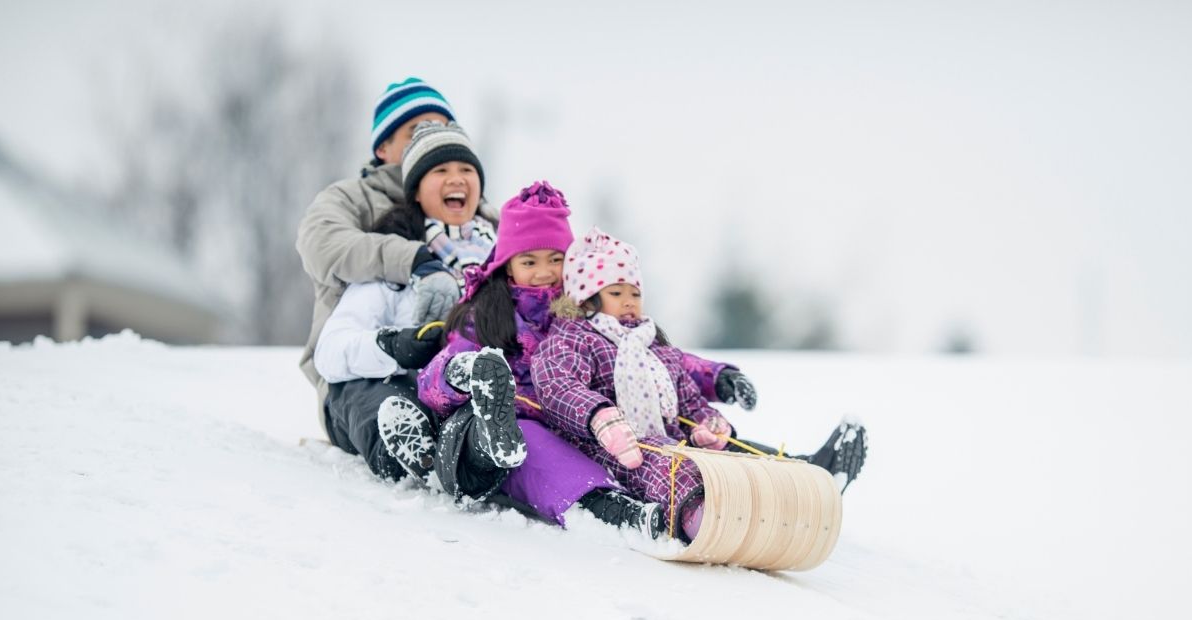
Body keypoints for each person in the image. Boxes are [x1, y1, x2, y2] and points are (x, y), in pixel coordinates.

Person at [533, 228, 868, 542]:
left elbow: (688, 401)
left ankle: (805, 486)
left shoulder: (655, 349)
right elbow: (558, 385)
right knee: (673, 468)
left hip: (672, 441)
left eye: (635, 292)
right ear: (587, 299)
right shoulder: (573, 338)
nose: (629, 300)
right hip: (610, 452)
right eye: (616, 292)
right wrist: (601, 419)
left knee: (733, 457)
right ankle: (705, 520)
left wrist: (707, 425)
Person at [417, 182, 667, 536]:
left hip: (570, 425)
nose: (543, 271)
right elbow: (430, 382)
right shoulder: (488, 314)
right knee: (527, 438)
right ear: (508, 266)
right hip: (478, 441)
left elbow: (652, 357)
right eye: (529, 261)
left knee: (608, 442)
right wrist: (464, 373)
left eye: (555, 259)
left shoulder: (585, 315)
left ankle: (675, 495)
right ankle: (606, 509)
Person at [296, 78, 494, 440]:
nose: (433, 135)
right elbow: (321, 243)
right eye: (418, 129)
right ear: (383, 146)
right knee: (381, 404)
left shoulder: (478, 222)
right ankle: (407, 445)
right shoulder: (353, 197)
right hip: (356, 374)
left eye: (445, 128)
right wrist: (413, 257)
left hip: (451, 372)